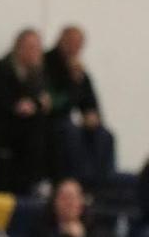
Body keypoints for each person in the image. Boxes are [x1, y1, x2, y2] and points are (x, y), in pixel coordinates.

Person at [0, 29, 51, 195]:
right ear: (18, 47)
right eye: (30, 47)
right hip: (3, 123)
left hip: (27, 125)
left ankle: (42, 179)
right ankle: (33, 180)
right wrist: (18, 105)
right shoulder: (2, 68)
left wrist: (34, 105)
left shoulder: (38, 74)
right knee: (34, 127)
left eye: (37, 48)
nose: (34, 52)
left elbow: (43, 102)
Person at [44, 26, 114, 185]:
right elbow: (57, 103)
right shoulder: (47, 63)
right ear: (61, 41)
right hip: (51, 121)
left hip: (69, 121)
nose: (74, 49)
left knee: (105, 135)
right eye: (71, 43)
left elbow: (90, 102)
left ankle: (102, 182)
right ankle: (74, 181)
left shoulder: (79, 71)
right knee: (70, 132)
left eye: (78, 45)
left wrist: (92, 115)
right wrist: (73, 83)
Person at [33, 178, 108, 237]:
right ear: (54, 202)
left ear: (81, 203)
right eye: (64, 198)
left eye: (74, 197)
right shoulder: (40, 231)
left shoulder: (97, 232)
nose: (69, 203)